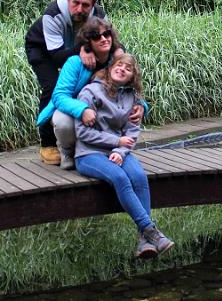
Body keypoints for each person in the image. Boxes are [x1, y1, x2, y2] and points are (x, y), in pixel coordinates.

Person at [74, 54, 174, 259]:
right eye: (119, 65)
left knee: (139, 177)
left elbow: (132, 131)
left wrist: (120, 151)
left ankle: (145, 241)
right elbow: (82, 133)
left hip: (119, 151)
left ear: (132, 77)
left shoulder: (132, 98)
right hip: (88, 153)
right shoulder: (90, 92)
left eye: (128, 69)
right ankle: (151, 231)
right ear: (110, 68)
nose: (122, 69)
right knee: (119, 178)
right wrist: (115, 143)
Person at [37, 17, 145, 169]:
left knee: (134, 113)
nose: (103, 39)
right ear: (88, 42)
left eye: (106, 34)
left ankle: (113, 149)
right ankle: (68, 150)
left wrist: (141, 106)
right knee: (63, 121)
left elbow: (130, 87)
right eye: (96, 36)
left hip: (102, 112)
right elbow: (59, 96)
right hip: (75, 109)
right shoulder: (74, 62)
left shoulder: (115, 62)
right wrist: (82, 110)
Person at [25, 0, 107, 165]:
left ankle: (85, 138)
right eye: (75, 3)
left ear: (93, 5)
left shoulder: (99, 17)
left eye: (85, 5)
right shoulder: (53, 14)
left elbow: (110, 45)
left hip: (74, 47)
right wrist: (84, 48)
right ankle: (47, 145)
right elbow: (57, 58)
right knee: (53, 86)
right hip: (43, 50)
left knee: (92, 81)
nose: (79, 9)